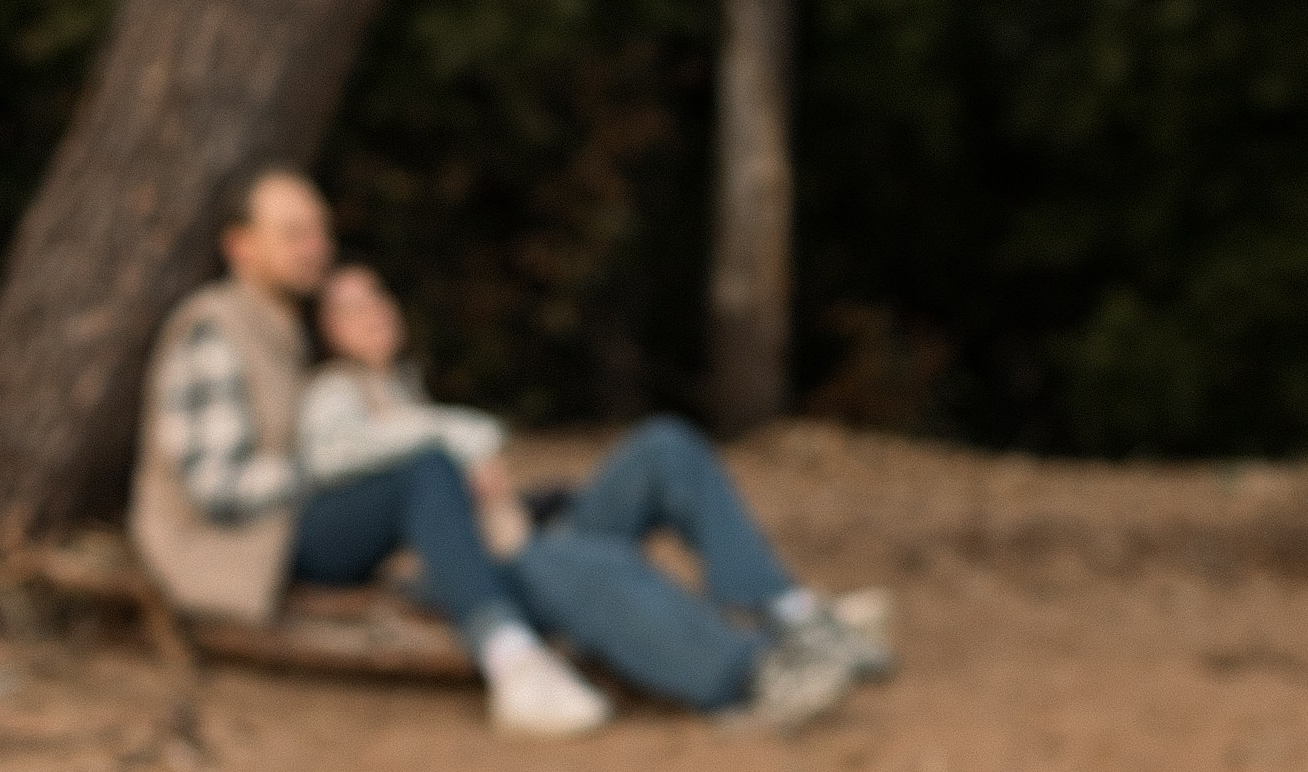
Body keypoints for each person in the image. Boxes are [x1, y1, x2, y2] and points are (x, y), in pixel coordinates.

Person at [302, 258, 891, 727]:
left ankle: (789, 613)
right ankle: (750, 675)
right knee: (563, 559)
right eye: (352, 306)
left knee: (664, 446)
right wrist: (464, 438)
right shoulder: (332, 394)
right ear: (328, 330)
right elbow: (332, 459)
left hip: (522, 535)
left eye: (378, 297)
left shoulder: (406, 391)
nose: (374, 312)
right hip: (473, 573)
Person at [129, 166, 608, 737]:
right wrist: (330, 467)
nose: (315, 248)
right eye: (293, 233)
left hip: (284, 526)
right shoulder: (212, 329)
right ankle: (511, 661)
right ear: (241, 246)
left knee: (511, 494)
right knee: (422, 472)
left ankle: (572, 603)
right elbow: (215, 489)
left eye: (319, 231)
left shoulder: (286, 332)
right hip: (237, 550)